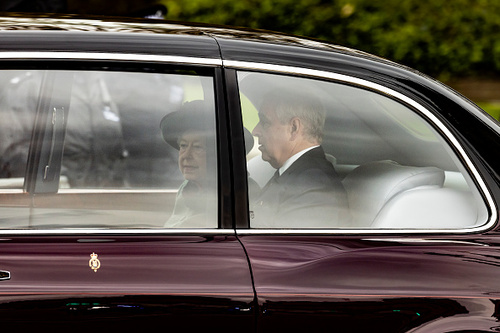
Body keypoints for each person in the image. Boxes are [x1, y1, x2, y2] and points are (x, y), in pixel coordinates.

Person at [250, 89, 350, 228]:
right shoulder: (295, 173)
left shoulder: (313, 187)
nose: (255, 131)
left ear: (293, 128)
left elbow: (286, 247)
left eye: (265, 122)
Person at [160, 100, 217, 228]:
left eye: (197, 147)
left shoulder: (231, 194)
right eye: (183, 145)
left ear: (217, 153)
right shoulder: (186, 188)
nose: (186, 155)